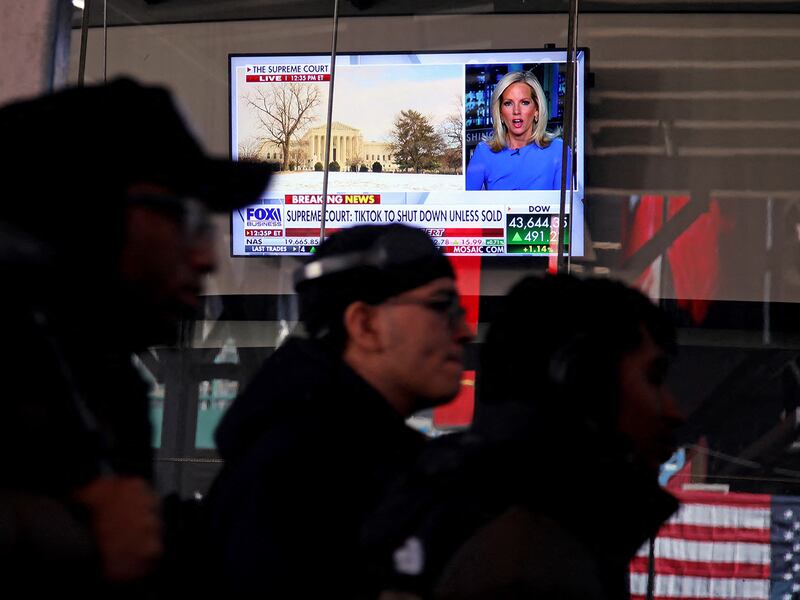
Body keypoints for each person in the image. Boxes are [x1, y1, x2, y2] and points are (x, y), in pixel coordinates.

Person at [0, 78, 273, 597]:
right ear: (87, 209)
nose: (207, 258)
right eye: (188, 219)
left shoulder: (92, 367)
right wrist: (72, 538)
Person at [363, 274, 684, 600]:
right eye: (653, 378)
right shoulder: (530, 562)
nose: (674, 410)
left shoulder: (456, 518)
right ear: (584, 383)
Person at [205, 224, 473, 597]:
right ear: (365, 325)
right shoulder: (304, 477)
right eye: (441, 306)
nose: (465, 330)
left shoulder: (329, 453)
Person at [465, 70, 566, 191]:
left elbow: (567, 208)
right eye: (508, 103)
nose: (516, 111)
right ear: (500, 113)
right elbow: (466, 206)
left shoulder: (559, 150)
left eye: (524, 102)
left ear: (537, 110)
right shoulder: (484, 152)